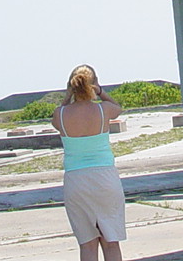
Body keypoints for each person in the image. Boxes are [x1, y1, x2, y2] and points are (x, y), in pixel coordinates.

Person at [51, 65, 127, 261]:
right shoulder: (103, 110)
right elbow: (117, 107)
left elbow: (58, 113)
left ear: (71, 86)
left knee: (87, 245)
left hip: (76, 181)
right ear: (93, 84)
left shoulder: (60, 115)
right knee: (111, 243)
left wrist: (68, 96)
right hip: (104, 178)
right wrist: (100, 91)